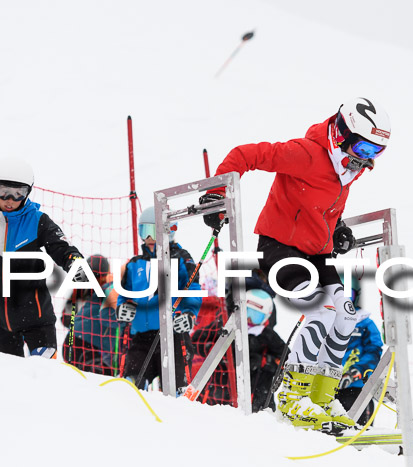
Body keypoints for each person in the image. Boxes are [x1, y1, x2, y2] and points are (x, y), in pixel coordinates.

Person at [200, 97, 391, 429]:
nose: (366, 159)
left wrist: (340, 229)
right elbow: (246, 155)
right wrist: (218, 191)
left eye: (375, 152)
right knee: (320, 310)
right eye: (363, 147)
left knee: (345, 314)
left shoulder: (347, 169)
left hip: (316, 255)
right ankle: (291, 394)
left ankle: (320, 397)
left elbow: (324, 208)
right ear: (342, 133)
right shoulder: (306, 154)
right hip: (279, 247)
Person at [0, 158, 86, 359]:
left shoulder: (37, 221)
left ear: (28, 192)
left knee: (43, 380)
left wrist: (75, 263)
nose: (10, 199)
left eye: (18, 192)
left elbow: (62, 248)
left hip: (37, 322)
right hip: (2, 327)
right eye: (4, 191)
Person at [116, 206, 202, 392]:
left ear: (168, 231)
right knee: (131, 385)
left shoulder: (181, 259)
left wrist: (189, 314)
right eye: (143, 231)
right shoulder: (134, 263)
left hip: (173, 336)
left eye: (152, 232)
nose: (147, 239)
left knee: (175, 389)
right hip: (141, 338)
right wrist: (122, 307)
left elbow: (192, 289)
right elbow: (124, 292)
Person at [61, 254, 122, 374]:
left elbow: (66, 318)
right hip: (93, 347)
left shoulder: (80, 291)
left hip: (72, 343)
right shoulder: (108, 290)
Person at [335, 276, 383, 426]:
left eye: (350, 296)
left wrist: (358, 370)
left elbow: (374, 350)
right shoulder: (328, 320)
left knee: (358, 426)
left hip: (357, 389)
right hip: (331, 386)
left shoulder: (364, 322)